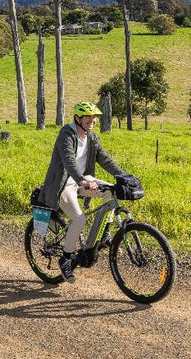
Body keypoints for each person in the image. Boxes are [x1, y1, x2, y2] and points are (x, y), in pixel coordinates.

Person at [39, 101, 128, 283]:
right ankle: (66, 258)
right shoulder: (66, 134)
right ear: (78, 118)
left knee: (112, 192)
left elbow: (105, 159)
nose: (92, 120)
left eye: (94, 117)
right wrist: (82, 179)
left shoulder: (91, 137)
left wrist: (124, 176)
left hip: (82, 180)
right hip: (63, 184)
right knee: (79, 219)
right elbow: (68, 160)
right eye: (88, 117)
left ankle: (104, 234)